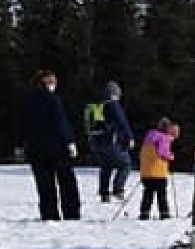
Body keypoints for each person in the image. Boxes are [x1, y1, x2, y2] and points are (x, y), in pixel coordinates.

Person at [18, 70, 81, 221]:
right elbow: (61, 122)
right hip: (57, 147)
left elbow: (20, 125)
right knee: (66, 182)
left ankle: (49, 214)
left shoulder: (26, 101)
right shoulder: (53, 99)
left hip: (35, 148)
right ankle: (71, 213)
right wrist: (69, 142)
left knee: (44, 184)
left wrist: (19, 145)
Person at [88, 81, 136, 203]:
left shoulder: (98, 105)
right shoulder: (113, 105)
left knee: (106, 165)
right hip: (111, 141)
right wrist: (129, 137)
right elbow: (122, 122)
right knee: (126, 164)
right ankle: (118, 189)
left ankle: (104, 193)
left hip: (97, 142)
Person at [138, 118, 177, 220]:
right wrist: (171, 156)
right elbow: (163, 153)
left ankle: (144, 212)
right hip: (158, 172)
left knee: (148, 193)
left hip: (146, 172)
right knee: (161, 194)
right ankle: (164, 213)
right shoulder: (163, 138)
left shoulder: (149, 137)